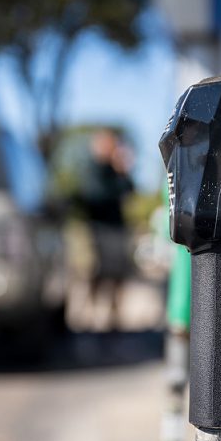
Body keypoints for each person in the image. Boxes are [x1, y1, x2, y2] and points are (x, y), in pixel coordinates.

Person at [79, 129, 134, 330]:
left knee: (118, 272)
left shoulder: (113, 169)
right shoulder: (92, 168)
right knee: (98, 272)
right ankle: (91, 315)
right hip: (99, 229)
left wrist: (122, 169)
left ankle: (113, 315)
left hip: (116, 228)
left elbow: (129, 188)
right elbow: (97, 196)